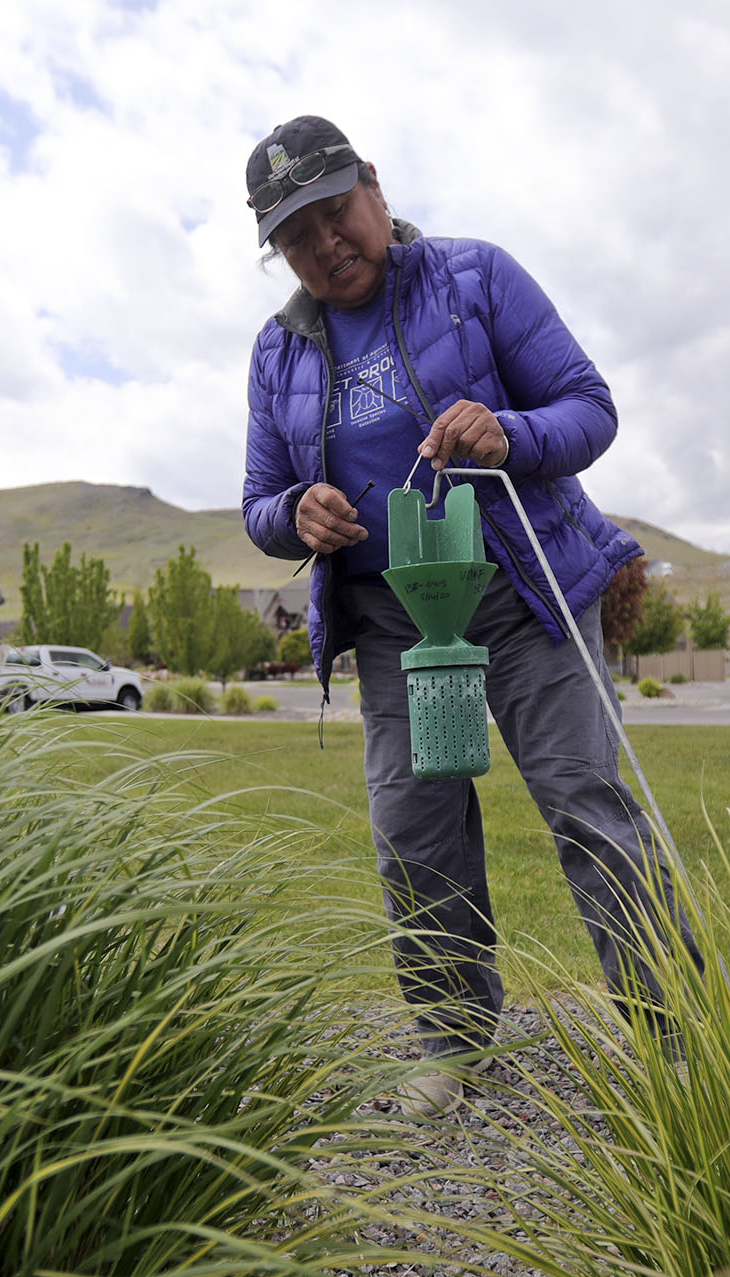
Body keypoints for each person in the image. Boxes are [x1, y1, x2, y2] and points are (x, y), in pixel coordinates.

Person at [239, 115, 688, 1116]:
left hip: (521, 596)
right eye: (295, 235)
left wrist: (511, 432)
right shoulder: (277, 352)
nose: (324, 243)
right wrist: (294, 514)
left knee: (589, 808)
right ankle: (451, 1041)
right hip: (398, 626)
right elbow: (258, 502)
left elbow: (588, 408)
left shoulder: (474, 278)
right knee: (415, 829)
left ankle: (680, 1037)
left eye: (334, 211)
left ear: (373, 184)